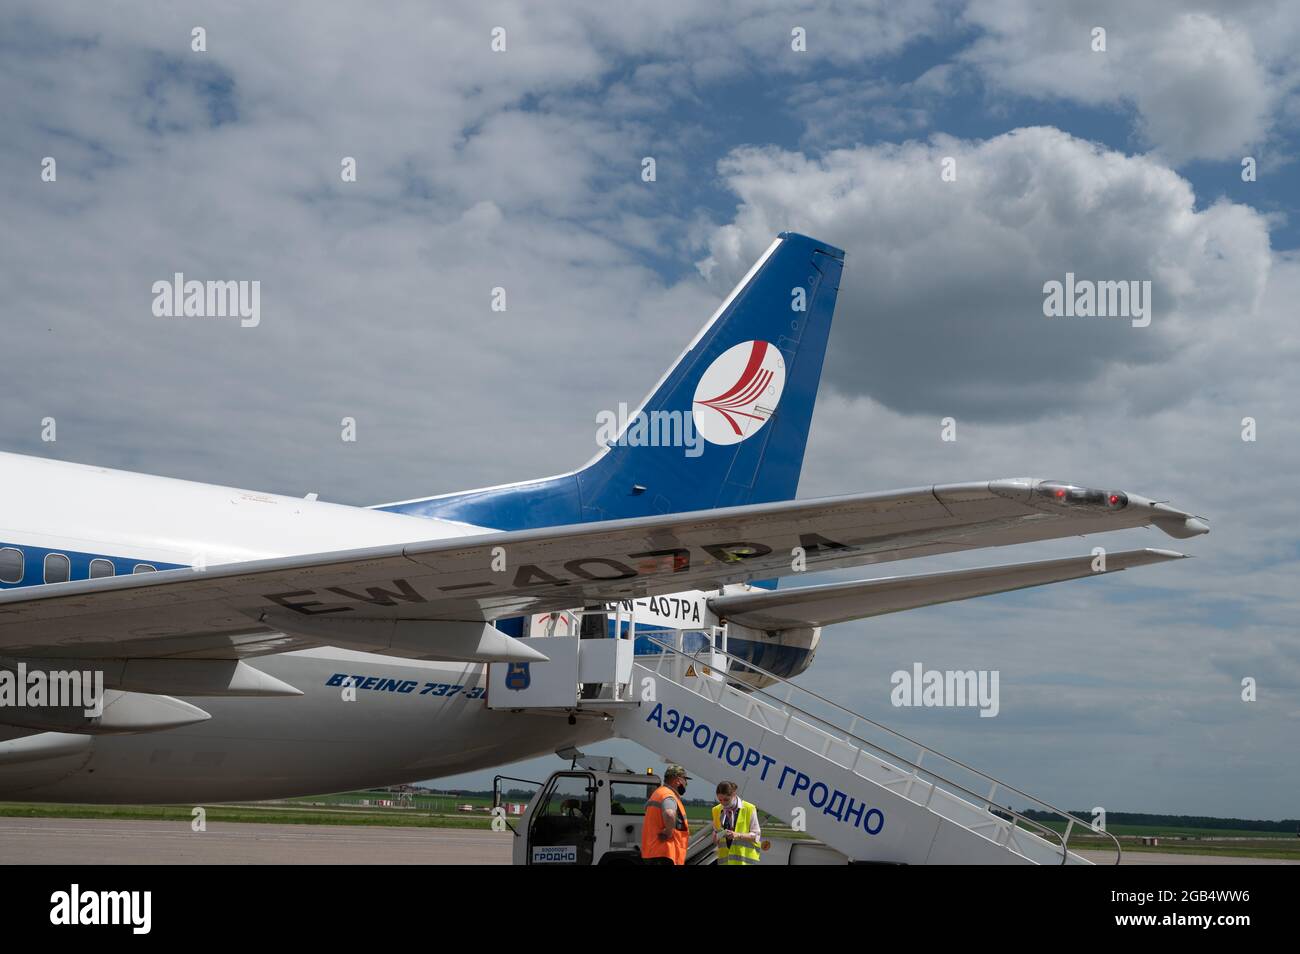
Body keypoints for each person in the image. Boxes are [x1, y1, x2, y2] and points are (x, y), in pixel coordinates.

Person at [641, 764, 691, 865]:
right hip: (665, 853)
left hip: (652, 852)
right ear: (678, 780)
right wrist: (669, 832)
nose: (686, 783)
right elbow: (669, 814)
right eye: (685, 780)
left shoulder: (658, 793)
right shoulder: (668, 795)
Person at [712, 781, 761, 865]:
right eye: (720, 800)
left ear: (734, 795)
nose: (723, 803)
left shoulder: (749, 808)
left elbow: (756, 836)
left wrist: (738, 835)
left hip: (744, 861)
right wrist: (715, 837)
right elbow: (716, 834)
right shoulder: (716, 810)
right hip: (725, 861)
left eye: (726, 799)